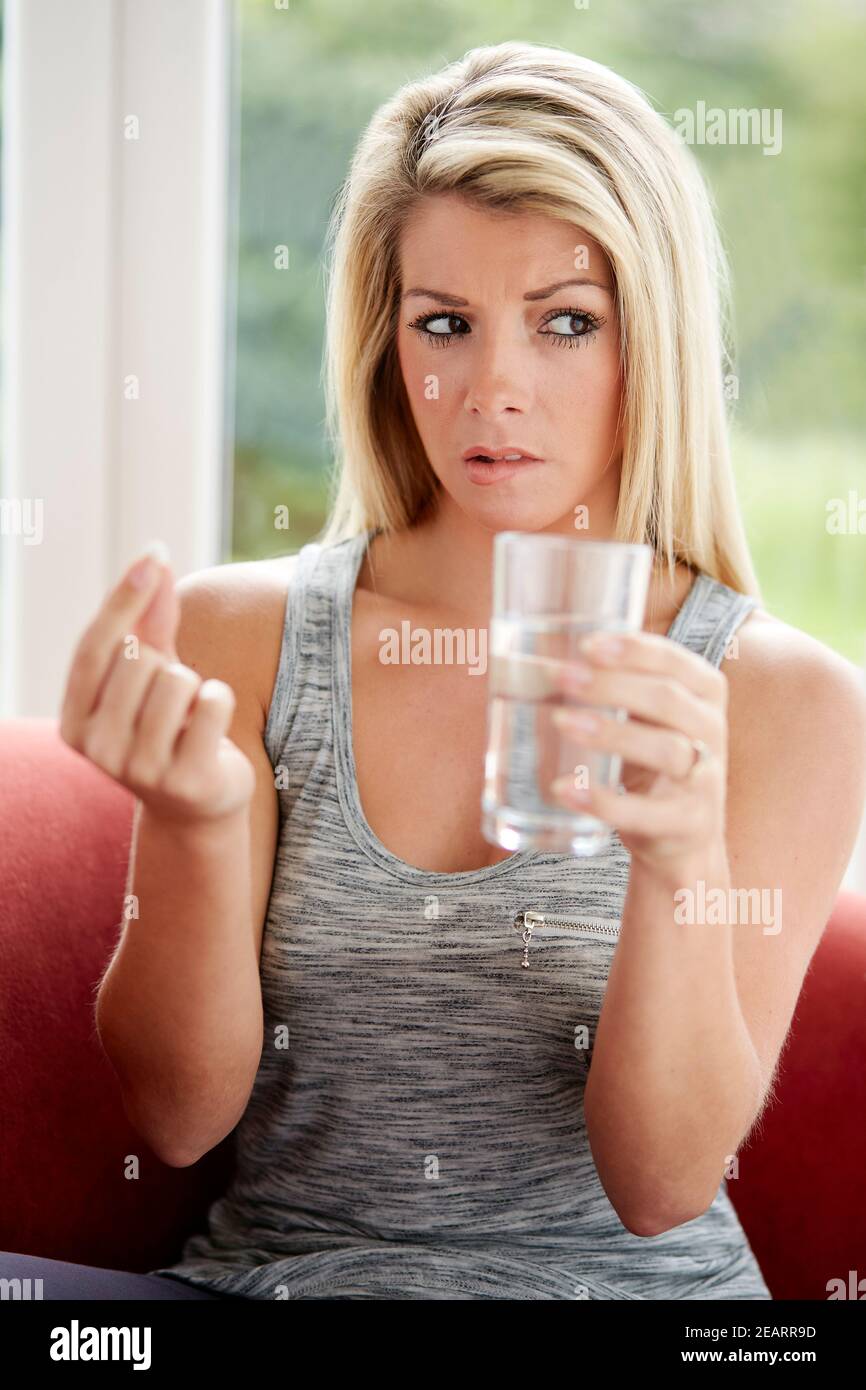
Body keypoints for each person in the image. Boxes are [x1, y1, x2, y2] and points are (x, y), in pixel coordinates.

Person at [7, 40, 864, 1301]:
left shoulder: (781, 698)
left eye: (564, 324)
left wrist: (679, 862)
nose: (491, 390)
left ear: (655, 344)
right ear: (385, 340)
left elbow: (659, 1183)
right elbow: (179, 1119)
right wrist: (197, 822)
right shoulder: (238, 637)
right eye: (444, 324)